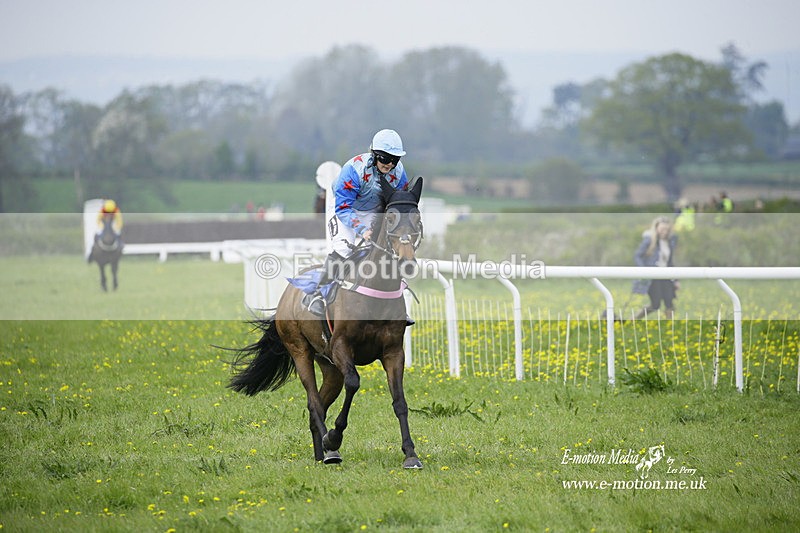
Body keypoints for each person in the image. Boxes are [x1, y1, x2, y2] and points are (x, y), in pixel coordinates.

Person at [303, 129, 410, 319]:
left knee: (384, 250)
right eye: (386, 158)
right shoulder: (353, 170)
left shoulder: (399, 174)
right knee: (343, 250)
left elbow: (397, 204)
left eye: (395, 159)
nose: (391, 164)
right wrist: (362, 230)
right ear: (375, 154)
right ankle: (318, 294)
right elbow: (344, 208)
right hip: (344, 207)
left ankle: (393, 305)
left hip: (373, 211)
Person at [632, 216, 678, 319]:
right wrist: (644, 270)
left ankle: (671, 326)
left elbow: (670, 262)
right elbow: (637, 255)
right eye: (662, 229)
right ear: (656, 228)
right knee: (655, 304)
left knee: (669, 301)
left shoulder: (670, 242)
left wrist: (676, 280)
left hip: (666, 276)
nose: (664, 232)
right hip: (653, 276)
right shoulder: (649, 240)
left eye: (667, 229)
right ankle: (633, 319)